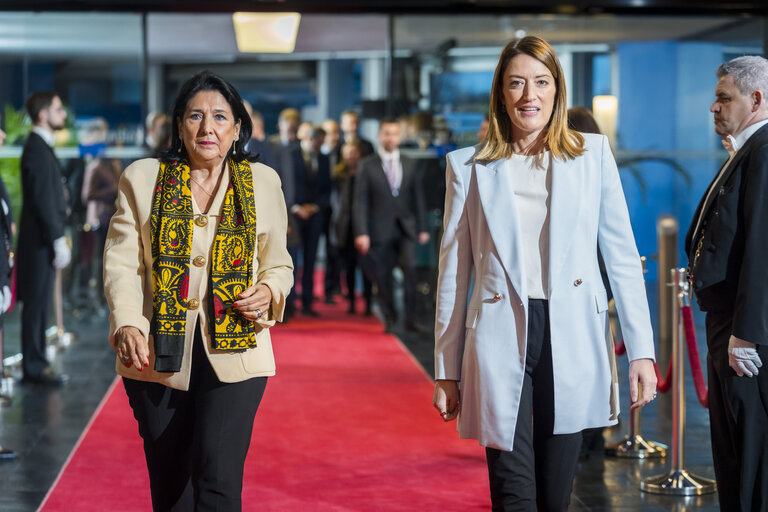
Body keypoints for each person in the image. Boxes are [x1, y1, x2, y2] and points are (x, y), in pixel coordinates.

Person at [432, 36, 657, 511]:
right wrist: (445, 371)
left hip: (570, 332)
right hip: (497, 333)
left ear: (557, 92)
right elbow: (453, 274)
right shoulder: (467, 168)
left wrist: (641, 351)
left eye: (540, 82)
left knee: (556, 494)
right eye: (516, 83)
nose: (528, 95)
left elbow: (621, 256)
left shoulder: (592, 156)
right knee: (513, 493)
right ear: (501, 93)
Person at [103, 71, 293, 511]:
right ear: (179, 124)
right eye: (196, 116)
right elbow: (121, 263)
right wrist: (128, 322)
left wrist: (269, 288)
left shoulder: (263, 182)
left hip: (238, 353)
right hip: (156, 354)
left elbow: (279, 263)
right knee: (172, 490)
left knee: (218, 482)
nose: (208, 128)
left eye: (220, 117)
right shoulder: (143, 177)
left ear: (237, 128)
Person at [684, 55, 768, 512]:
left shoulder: (765, 149)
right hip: (726, 324)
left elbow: (762, 247)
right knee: (732, 455)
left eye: (724, 98)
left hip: (745, 334)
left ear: (755, 99)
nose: (714, 108)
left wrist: (747, 334)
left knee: (750, 457)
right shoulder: (747, 148)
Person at [353, 118, 429, 333]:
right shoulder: (367, 165)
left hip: (406, 228)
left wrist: (422, 227)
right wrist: (362, 233)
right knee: (383, 275)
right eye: (386, 133)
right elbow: (360, 202)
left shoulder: (410, 163)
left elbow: (418, 198)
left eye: (394, 133)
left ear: (399, 137)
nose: (390, 137)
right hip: (379, 229)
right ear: (380, 136)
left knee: (410, 270)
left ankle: (411, 318)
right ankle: (389, 316)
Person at [18, 91, 71, 386]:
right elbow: (42, 200)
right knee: (36, 306)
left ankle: (36, 364)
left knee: (39, 305)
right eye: (57, 109)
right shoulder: (36, 149)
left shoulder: (41, 147)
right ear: (43, 115)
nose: (62, 115)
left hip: (41, 241)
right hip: (37, 243)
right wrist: (56, 238)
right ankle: (34, 368)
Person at [333, 141, 372, 315]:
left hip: (364, 226)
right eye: (347, 153)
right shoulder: (339, 175)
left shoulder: (368, 173)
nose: (351, 157)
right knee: (348, 266)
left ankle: (369, 303)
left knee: (367, 267)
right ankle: (351, 302)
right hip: (345, 227)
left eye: (354, 152)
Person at [295, 124, 330, 316]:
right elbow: (286, 183)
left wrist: (315, 207)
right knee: (291, 260)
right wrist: (297, 207)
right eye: (317, 143)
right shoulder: (292, 154)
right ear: (309, 139)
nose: (319, 147)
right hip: (294, 215)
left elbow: (327, 189)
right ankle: (289, 302)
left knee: (310, 259)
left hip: (315, 215)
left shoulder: (324, 159)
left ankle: (307, 303)